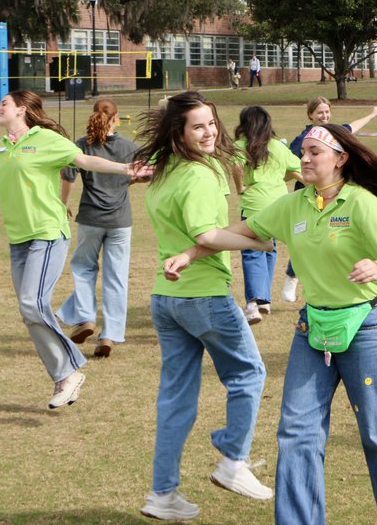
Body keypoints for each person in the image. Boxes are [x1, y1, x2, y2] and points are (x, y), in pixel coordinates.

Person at [166, 123, 377, 525]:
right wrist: (189, 254)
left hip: (366, 327)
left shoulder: (360, 202)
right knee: (296, 432)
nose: (304, 158)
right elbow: (240, 231)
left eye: (314, 151)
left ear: (341, 159)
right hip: (314, 329)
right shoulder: (294, 205)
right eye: (302, 151)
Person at [131, 90, 273, 521]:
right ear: (180, 132)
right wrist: (259, 239)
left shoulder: (166, 171)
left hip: (166, 298)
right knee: (249, 372)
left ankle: (162, 494)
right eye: (198, 126)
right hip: (202, 296)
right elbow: (207, 235)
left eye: (211, 122)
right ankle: (232, 460)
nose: (209, 132)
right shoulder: (196, 175)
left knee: (176, 399)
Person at [0, 90, 142, 409]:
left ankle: (70, 368)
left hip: (47, 233)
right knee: (29, 310)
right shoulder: (0, 147)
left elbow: (84, 160)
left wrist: (125, 169)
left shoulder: (43, 139)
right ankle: (64, 376)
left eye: (4, 103)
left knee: (33, 302)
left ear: (22, 110)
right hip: (19, 239)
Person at [57, 99, 139, 358]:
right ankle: (109, 334)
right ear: (116, 118)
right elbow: (146, 171)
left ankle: (86, 318)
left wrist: (64, 204)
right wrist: (127, 184)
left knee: (83, 268)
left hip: (90, 217)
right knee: (116, 278)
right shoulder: (128, 146)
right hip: (120, 220)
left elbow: (68, 177)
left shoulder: (82, 144)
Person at [283, 97, 377, 302]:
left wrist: (372, 114)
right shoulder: (302, 139)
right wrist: (307, 179)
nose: (324, 116)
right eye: (320, 112)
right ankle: (292, 276)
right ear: (310, 114)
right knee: (308, 237)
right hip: (310, 198)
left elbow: (352, 127)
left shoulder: (335, 133)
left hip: (334, 195)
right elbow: (287, 167)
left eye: (327, 112)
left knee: (333, 237)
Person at [233, 105, 301, 324]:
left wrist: (240, 187)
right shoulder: (278, 147)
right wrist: (280, 179)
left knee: (252, 251)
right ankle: (264, 300)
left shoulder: (241, 145)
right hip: (279, 204)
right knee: (269, 249)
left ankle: (253, 303)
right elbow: (297, 169)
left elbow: (235, 166)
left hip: (254, 203)